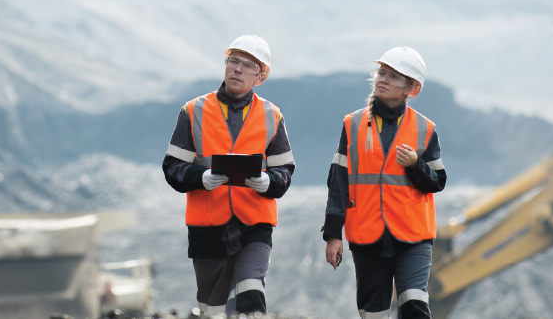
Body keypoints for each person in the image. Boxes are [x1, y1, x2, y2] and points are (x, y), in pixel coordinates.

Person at [163, 35, 296, 316]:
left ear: (259, 76)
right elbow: (172, 167)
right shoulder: (193, 111)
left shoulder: (273, 116)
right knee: (213, 311)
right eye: (233, 61)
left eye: (247, 65)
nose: (237, 69)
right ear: (225, 66)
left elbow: (284, 170)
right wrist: (199, 177)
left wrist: (268, 182)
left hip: (254, 226)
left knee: (251, 300)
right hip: (207, 229)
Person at [322, 47, 446, 319]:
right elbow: (338, 183)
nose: (383, 79)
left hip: (414, 235)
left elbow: (437, 181)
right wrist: (333, 233)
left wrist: (416, 165)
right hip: (368, 235)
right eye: (381, 72)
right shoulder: (352, 124)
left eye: (393, 76)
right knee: (373, 314)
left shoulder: (425, 129)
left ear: (411, 89)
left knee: (414, 306)